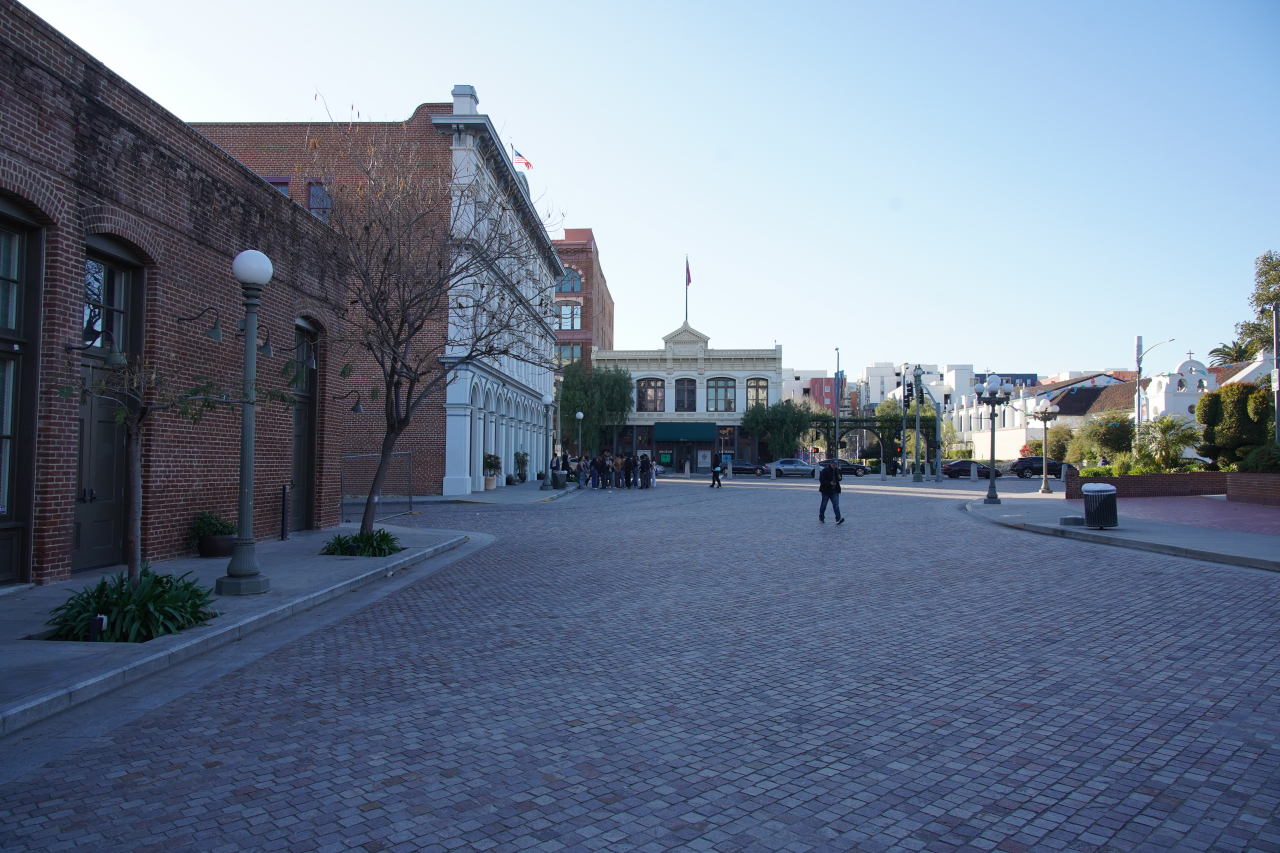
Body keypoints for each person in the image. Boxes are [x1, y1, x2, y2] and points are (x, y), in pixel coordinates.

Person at [818, 460, 844, 524]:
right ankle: (821, 517)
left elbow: (840, 479)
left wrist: (839, 477)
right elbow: (821, 480)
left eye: (836, 464)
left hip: (835, 490)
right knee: (824, 505)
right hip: (825, 490)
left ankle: (838, 519)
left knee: (836, 506)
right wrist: (830, 483)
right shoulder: (825, 470)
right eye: (833, 464)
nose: (835, 466)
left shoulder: (838, 470)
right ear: (830, 464)